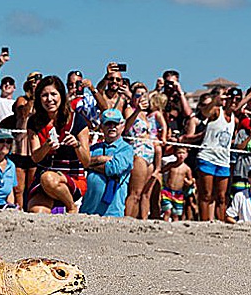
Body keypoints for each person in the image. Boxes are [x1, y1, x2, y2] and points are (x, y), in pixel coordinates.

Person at [25, 75, 91, 215]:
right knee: (37, 211)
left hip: (72, 177)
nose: (49, 99)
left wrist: (77, 145)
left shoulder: (77, 121)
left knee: (48, 178)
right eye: (44, 95)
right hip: (44, 178)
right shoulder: (34, 122)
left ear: (61, 96)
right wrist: (47, 146)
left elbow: (86, 162)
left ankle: (71, 207)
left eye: (53, 94)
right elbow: (35, 158)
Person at [80, 108, 134, 216]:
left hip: (112, 213)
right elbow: (80, 163)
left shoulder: (127, 149)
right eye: (108, 124)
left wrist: (89, 164)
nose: (112, 127)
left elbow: (113, 169)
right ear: (102, 127)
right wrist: (101, 159)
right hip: (87, 210)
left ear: (122, 126)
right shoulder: (94, 148)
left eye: (115, 124)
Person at [195, 90, 236, 222]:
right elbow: (204, 113)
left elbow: (239, 105)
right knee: (206, 195)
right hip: (208, 156)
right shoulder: (217, 111)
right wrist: (215, 99)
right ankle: (204, 222)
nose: (233, 102)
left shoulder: (234, 117)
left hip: (223, 160)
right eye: (231, 99)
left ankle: (221, 222)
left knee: (222, 196)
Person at [123, 87, 165, 219]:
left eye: (143, 94)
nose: (141, 97)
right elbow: (126, 128)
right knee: (135, 192)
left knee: (145, 194)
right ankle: (127, 220)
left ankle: (140, 220)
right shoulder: (130, 110)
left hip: (149, 152)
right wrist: (138, 110)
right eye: (138, 94)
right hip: (138, 151)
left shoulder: (147, 115)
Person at [160, 143, 193, 222]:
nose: (181, 155)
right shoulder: (171, 165)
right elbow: (162, 170)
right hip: (167, 191)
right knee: (167, 211)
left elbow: (191, 180)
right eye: (179, 153)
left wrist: (188, 182)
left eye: (183, 153)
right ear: (175, 154)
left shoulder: (187, 168)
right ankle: (164, 225)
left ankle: (175, 229)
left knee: (176, 214)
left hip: (178, 193)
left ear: (187, 155)